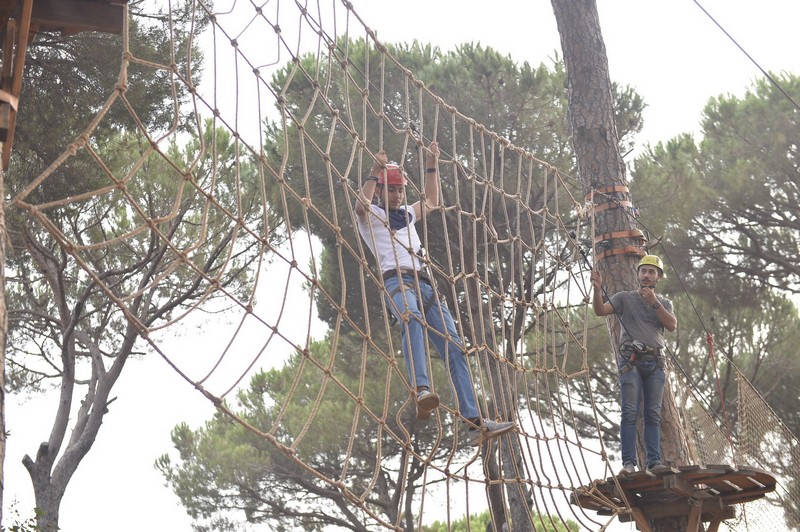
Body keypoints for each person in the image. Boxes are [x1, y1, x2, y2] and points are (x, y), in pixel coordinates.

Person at [354, 141, 515, 447]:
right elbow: (360, 205)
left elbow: (431, 201)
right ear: (378, 191)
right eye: (391, 190)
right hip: (397, 281)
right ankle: (422, 390)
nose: (398, 195)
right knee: (410, 318)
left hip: (426, 284)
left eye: (400, 190)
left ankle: (474, 421)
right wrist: (374, 171)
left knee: (455, 347)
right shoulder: (371, 215)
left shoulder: (406, 216)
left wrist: (431, 163)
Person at [591, 255, 677, 475]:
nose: (647, 275)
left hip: (655, 363)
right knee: (629, 412)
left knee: (652, 415)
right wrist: (597, 290)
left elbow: (671, 325)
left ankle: (654, 462)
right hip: (631, 362)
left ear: (658, 277)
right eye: (644, 271)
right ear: (638, 274)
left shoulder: (664, 304)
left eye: (651, 272)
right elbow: (600, 311)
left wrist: (654, 303)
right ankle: (628, 463)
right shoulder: (624, 298)